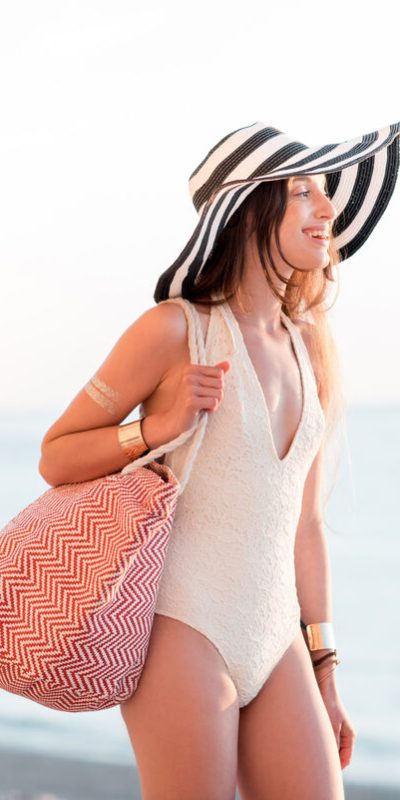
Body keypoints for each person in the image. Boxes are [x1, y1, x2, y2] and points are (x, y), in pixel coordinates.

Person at [39, 120, 400, 799]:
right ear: (247, 210)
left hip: (277, 640)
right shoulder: (176, 329)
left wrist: (327, 672)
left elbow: (306, 528)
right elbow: (55, 456)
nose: (326, 210)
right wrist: (157, 429)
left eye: (324, 192)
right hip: (183, 629)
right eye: (302, 193)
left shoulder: (310, 344)